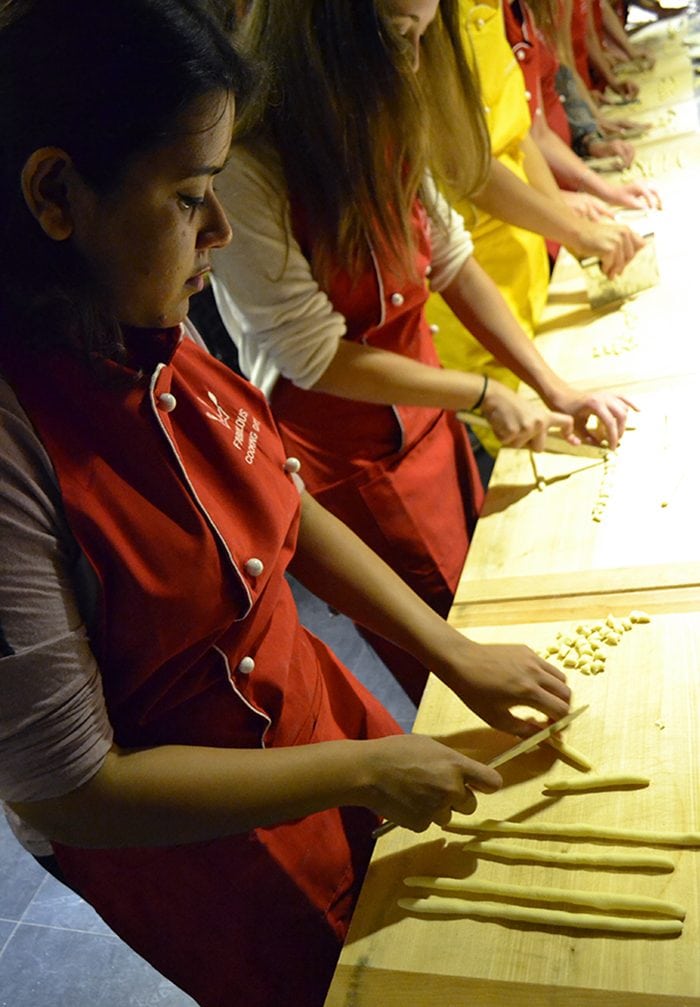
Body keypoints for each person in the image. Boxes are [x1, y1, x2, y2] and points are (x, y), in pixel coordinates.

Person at [0, 3, 576, 1006]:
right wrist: (357, 769)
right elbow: (75, 788)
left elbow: (282, 506)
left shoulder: (140, 316)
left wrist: (451, 655)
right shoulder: (17, 440)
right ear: (56, 193)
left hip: (309, 719)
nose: (215, 230)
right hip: (199, 847)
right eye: (189, 197)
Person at [211, 0, 635, 691]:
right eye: (399, 38)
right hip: (350, 456)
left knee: (491, 597)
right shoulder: (248, 169)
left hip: (429, 419)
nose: (411, 63)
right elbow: (315, 356)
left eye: (421, 39)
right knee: (455, 661)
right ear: (328, 41)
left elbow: (451, 259)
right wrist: (483, 392)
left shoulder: (378, 115)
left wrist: (552, 386)